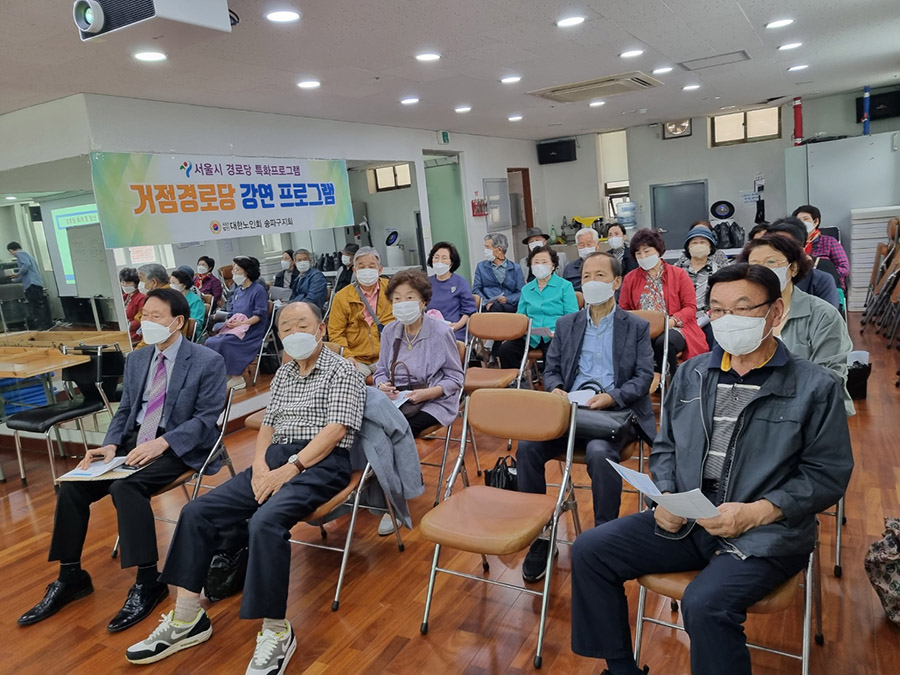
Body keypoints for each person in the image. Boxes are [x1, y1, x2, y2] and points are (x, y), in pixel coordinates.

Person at [571, 263, 853, 675]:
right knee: (590, 550)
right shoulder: (693, 373)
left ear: (775, 312)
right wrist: (667, 496)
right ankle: (620, 669)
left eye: (742, 308)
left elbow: (826, 473)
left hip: (765, 531)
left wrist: (757, 512)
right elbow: (666, 447)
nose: (727, 319)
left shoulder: (814, 386)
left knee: (704, 603)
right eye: (718, 310)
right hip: (691, 517)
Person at [125, 301, 364, 674]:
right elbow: (267, 426)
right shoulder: (284, 373)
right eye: (286, 328)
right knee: (197, 511)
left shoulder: (343, 370)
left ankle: (276, 631)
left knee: (265, 522)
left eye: (303, 325)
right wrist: (260, 467)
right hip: (276, 458)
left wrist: (289, 469)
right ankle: (187, 618)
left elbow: (336, 431)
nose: (294, 333)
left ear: (321, 329)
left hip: (321, 463)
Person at [17, 289, 226, 633]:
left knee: (126, 488)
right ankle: (70, 577)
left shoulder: (207, 360)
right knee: (72, 487)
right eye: (145, 315)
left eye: (156, 316)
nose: (147, 322)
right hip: (134, 441)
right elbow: (126, 409)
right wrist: (111, 444)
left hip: (177, 445)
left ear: (178, 322)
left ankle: (148, 581)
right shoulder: (138, 359)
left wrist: (162, 442)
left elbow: (205, 419)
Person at [516, 252, 655, 582]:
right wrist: (556, 390)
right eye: (587, 276)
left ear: (616, 282)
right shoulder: (568, 324)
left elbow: (643, 377)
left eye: (600, 276)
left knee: (599, 453)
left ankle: (605, 538)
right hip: (571, 410)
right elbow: (551, 369)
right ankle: (541, 535)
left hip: (614, 414)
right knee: (527, 447)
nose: (592, 282)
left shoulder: (635, 326)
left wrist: (612, 397)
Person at [742, 235, 854, 415]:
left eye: (771, 262)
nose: (763, 270)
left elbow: (829, 377)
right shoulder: (743, 313)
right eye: (754, 265)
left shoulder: (822, 314)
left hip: (811, 409)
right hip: (755, 406)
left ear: (793, 268)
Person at [374, 268, 464, 438]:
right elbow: (381, 371)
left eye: (409, 298)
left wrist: (427, 393)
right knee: (369, 427)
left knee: (398, 430)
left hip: (434, 401)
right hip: (398, 400)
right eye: (397, 299)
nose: (402, 303)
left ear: (423, 302)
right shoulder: (389, 331)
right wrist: (382, 386)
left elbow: (455, 378)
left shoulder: (441, 333)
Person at [619, 228, 708, 376]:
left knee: (664, 343)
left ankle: (670, 383)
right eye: (638, 253)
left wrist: (671, 322)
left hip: (674, 326)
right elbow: (624, 308)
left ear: (658, 251)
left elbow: (690, 307)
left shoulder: (679, 274)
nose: (643, 256)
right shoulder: (630, 278)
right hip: (642, 329)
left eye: (647, 251)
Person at [499, 245, 578, 369]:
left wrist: (559, 332)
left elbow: (571, 315)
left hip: (555, 335)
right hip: (530, 335)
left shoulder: (565, 286)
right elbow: (521, 316)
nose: (540, 265)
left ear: (553, 266)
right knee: (506, 350)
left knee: (552, 355)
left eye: (544, 262)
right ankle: (518, 379)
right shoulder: (526, 289)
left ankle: (550, 380)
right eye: (536, 262)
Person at [327, 246, 394, 377]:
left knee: (403, 376)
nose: (366, 270)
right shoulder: (342, 297)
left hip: (389, 355)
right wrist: (347, 355)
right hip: (356, 358)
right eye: (361, 267)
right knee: (349, 379)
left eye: (371, 266)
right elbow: (336, 333)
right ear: (355, 270)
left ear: (380, 270)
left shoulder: (393, 290)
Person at [204, 257, 269, 390]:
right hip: (235, 327)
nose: (233, 273)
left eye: (237, 270)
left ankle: (237, 378)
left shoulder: (258, 290)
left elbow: (259, 315)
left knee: (224, 342)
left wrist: (242, 323)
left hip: (252, 329)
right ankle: (225, 374)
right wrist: (229, 321)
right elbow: (232, 311)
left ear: (247, 272)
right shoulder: (238, 291)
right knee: (210, 342)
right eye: (233, 270)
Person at [674, 225, 730, 348]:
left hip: (709, 318)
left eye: (703, 242)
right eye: (694, 242)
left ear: (710, 246)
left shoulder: (719, 271)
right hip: (681, 319)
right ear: (688, 247)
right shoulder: (677, 270)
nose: (698, 245)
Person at [766, 217, 841, 309]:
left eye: (785, 246)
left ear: (802, 250)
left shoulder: (821, 280)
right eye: (773, 246)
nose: (778, 252)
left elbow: (829, 316)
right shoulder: (759, 277)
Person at [427, 241, 477, 341]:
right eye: (436, 257)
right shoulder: (426, 283)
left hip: (454, 329)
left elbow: (469, 310)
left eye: (444, 258)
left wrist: (458, 325)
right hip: (430, 329)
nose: (439, 261)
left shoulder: (460, 282)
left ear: (452, 262)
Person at [793, 205, 849, 290]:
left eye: (805, 219)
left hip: (829, 285)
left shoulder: (829, 242)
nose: (802, 223)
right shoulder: (794, 243)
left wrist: (826, 276)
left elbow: (844, 267)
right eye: (798, 221)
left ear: (815, 222)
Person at [472, 233, 524, 312]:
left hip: (510, 306)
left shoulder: (515, 268)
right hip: (489, 306)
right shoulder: (481, 267)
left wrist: (508, 299)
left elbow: (521, 292)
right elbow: (476, 290)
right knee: (495, 308)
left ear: (499, 250)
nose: (485, 251)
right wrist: (486, 302)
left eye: (488, 247)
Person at [8, 241, 51, 330]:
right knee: (39, 304)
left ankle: (42, 325)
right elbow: (25, 273)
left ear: (11, 250)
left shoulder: (20, 254)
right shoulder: (27, 255)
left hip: (32, 284)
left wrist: (17, 274)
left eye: (10, 252)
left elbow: (26, 265)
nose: (11, 254)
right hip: (35, 283)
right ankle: (45, 324)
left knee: (36, 305)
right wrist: (14, 280)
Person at [563, 227, 600, 291]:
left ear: (597, 245)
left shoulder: (607, 264)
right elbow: (564, 290)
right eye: (581, 245)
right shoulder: (569, 268)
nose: (585, 247)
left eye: (589, 244)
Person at [120, 267, 146, 346]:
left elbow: (141, 318)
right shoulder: (125, 297)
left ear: (136, 283)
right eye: (123, 282)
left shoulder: (141, 298)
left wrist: (128, 324)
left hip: (135, 335)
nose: (124, 285)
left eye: (128, 283)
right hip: (124, 332)